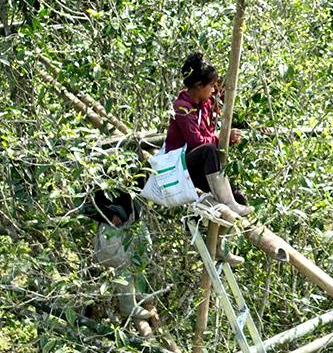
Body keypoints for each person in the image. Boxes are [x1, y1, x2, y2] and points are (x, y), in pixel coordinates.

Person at [163, 52, 252, 216]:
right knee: (209, 149)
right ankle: (228, 203)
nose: (213, 90)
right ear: (198, 85)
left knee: (238, 195)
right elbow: (196, 142)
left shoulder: (205, 102)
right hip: (180, 168)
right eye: (210, 86)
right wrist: (221, 138)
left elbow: (224, 96)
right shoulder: (181, 107)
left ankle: (233, 206)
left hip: (201, 168)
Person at [85, 188, 158, 336]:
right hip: (113, 225)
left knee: (143, 254)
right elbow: (87, 204)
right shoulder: (102, 172)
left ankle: (136, 292)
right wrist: (109, 215)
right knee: (122, 261)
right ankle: (127, 304)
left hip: (133, 220)